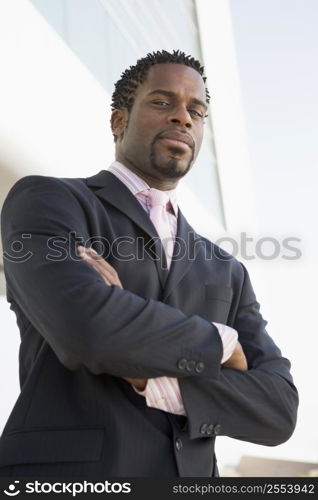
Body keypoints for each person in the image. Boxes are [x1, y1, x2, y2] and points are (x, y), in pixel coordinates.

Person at [0, 50, 298, 477]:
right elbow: (87, 329)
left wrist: (150, 379)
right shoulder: (49, 202)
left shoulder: (226, 269)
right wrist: (224, 344)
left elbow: (278, 410)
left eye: (196, 110)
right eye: (162, 102)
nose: (183, 117)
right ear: (119, 121)